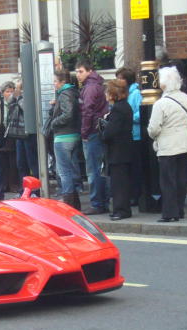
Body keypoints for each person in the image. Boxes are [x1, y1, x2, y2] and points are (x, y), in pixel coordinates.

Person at [147, 66, 187, 222]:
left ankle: (169, 213)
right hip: (185, 143)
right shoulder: (185, 97)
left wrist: (152, 134)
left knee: (167, 181)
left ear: (165, 84)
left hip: (168, 146)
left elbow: (153, 129)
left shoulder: (160, 104)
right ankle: (180, 210)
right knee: (181, 179)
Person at [76, 58, 109, 214]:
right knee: (100, 169)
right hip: (98, 130)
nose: (78, 75)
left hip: (92, 132)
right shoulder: (97, 85)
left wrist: (84, 132)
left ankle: (97, 203)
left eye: (81, 71)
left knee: (93, 170)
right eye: (76, 71)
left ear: (89, 71)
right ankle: (103, 202)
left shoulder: (90, 88)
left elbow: (87, 111)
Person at [101, 79, 133, 220]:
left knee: (119, 183)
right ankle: (121, 209)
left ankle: (121, 210)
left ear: (113, 93)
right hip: (123, 149)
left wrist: (103, 129)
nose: (105, 94)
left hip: (118, 151)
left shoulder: (118, 109)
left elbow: (111, 132)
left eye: (107, 91)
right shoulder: (124, 106)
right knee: (120, 182)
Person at [51, 70, 82, 210]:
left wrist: (54, 122)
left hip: (63, 136)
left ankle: (69, 203)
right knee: (72, 170)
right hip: (74, 135)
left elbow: (68, 114)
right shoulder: (73, 92)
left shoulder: (64, 94)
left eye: (55, 81)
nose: (54, 84)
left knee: (64, 172)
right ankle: (76, 203)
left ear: (63, 82)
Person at [116, 67, 143, 206]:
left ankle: (136, 195)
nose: (118, 81)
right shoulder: (125, 93)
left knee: (136, 168)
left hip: (136, 135)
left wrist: (128, 118)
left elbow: (141, 112)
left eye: (120, 78)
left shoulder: (136, 93)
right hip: (128, 134)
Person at [12, 79, 39, 193]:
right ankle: (24, 189)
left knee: (32, 162)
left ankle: (36, 190)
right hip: (19, 134)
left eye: (18, 88)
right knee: (21, 163)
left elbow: (27, 110)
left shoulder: (29, 97)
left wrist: (19, 98)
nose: (16, 90)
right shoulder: (16, 98)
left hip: (29, 134)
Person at [0, 81, 20, 198]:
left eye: (12, 91)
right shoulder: (0, 104)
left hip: (13, 135)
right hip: (2, 134)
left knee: (13, 162)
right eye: (7, 91)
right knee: (2, 162)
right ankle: (4, 184)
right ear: (3, 93)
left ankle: (13, 184)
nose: (10, 94)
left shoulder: (16, 103)